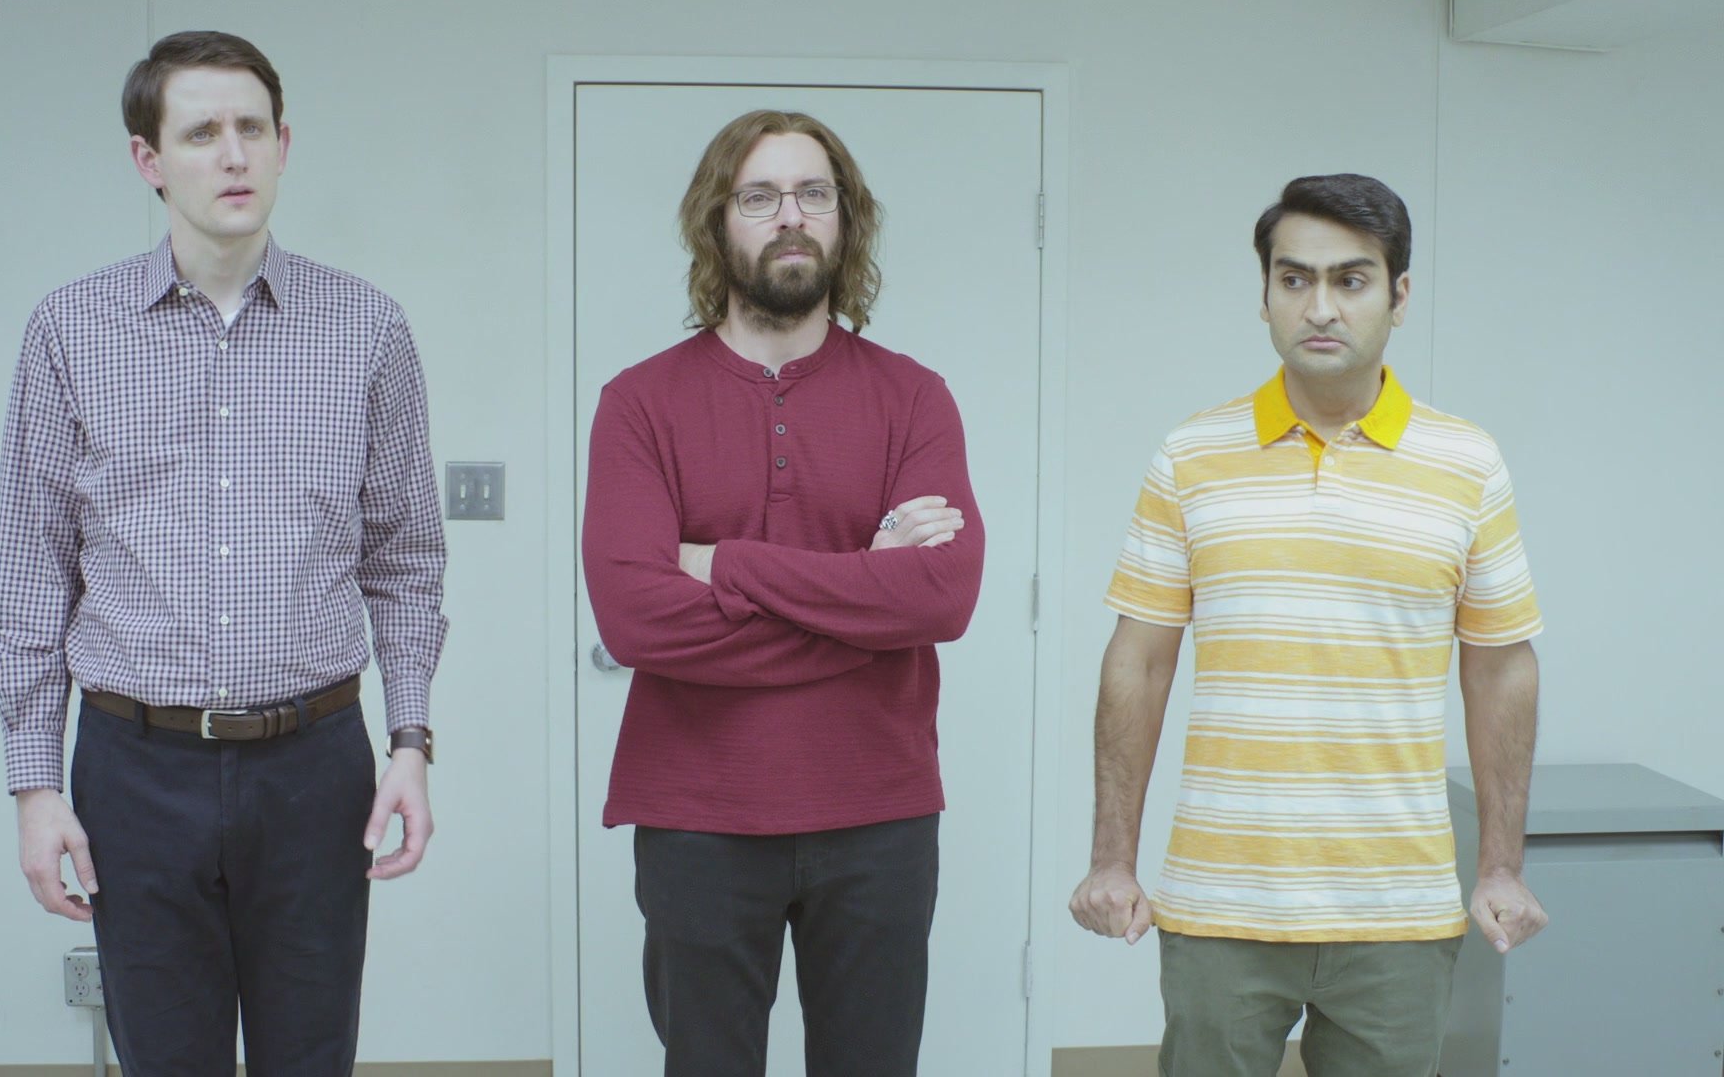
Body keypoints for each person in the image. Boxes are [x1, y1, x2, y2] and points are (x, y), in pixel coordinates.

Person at [0, 30, 445, 1076]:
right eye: (200, 133)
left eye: (251, 128)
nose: (233, 155)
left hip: (316, 768)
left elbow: (406, 562)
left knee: (311, 1057)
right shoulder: (70, 330)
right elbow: (31, 575)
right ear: (148, 160)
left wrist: (412, 743)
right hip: (135, 771)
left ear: (284, 144)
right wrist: (34, 788)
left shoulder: (367, 329)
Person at [1068, 173, 1548, 1077]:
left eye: (1350, 279)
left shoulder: (1468, 463)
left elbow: (1500, 669)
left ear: (1399, 296)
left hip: (1398, 908)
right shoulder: (1190, 456)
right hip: (1222, 900)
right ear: (1265, 295)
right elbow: (1138, 662)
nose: (1319, 306)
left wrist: (1501, 867)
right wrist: (1110, 859)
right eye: (1294, 279)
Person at [580, 109, 985, 1077]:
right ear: (717, 222)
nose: (791, 215)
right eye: (760, 196)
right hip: (697, 814)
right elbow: (635, 618)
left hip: (880, 812)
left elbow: (941, 597)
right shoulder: (639, 403)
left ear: (845, 219)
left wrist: (721, 564)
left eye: (813, 194)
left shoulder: (914, 397)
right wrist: (863, 597)